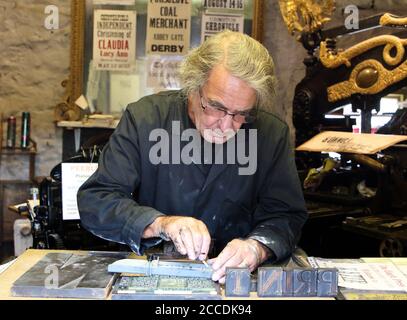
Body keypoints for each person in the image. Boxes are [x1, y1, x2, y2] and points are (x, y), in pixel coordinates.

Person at [77, 30, 308, 284]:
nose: (226, 126)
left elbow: (286, 215)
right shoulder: (145, 119)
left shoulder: (270, 133)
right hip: (155, 274)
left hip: (234, 280)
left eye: (242, 114)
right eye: (217, 108)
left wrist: (257, 247)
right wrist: (160, 223)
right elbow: (97, 201)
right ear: (193, 86)